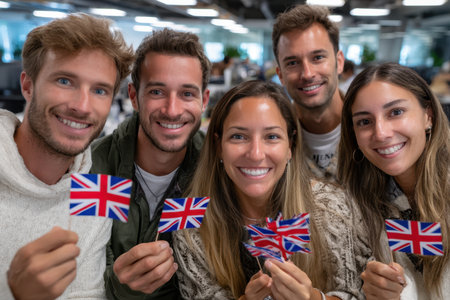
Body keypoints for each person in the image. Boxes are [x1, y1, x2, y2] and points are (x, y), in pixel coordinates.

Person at [173, 80, 364, 300]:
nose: (255, 154)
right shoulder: (191, 223)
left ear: (290, 146)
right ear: (218, 147)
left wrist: (313, 298)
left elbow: (355, 292)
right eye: (238, 136)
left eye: (271, 136)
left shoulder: (332, 208)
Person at [0, 13, 133, 299]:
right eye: (64, 81)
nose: (82, 106)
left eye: (99, 90)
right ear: (28, 86)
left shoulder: (94, 194)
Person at [90, 28, 211, 299]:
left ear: (204, 101)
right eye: (157, 91)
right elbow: (84, 270)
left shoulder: (216, 168)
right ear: (134, 96)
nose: (172, 109)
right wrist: (117, 285)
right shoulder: (98, 168)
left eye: (187, 94)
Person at [338, 63, 449, 299]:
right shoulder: (358, 202)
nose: (381, 133)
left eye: (396, 112)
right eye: (365, 121)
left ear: (428, 115)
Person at [272, 4, 345, 182]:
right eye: (292, 63)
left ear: (339, 62)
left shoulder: (374, 129)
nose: (307, 74)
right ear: (280, 75)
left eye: (318, 57)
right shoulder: (271, 141)